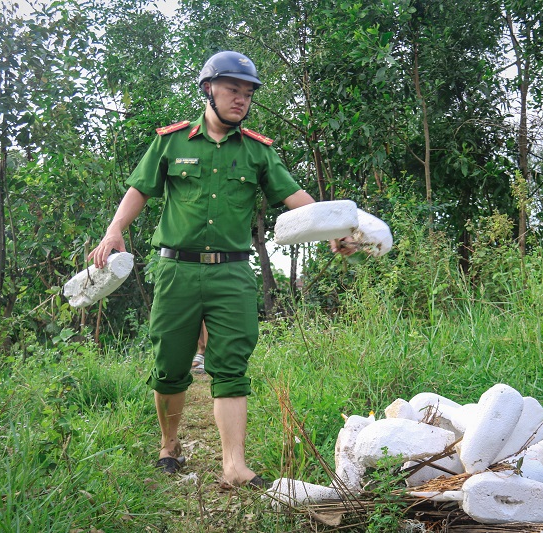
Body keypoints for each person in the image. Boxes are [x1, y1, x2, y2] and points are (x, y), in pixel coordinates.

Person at [89, 50, 351, 488]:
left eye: (248, 93)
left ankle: (234, 465)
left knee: (230, 366)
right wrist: (115, 229)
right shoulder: (172, 142)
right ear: (208, 89)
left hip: (231, 274)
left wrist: (333, 229)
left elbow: (296, 197)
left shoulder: (258, 152)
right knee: (171, 365)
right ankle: (169, 444)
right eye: (233, 90)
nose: (241, 99)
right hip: (176, 272)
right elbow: (140, 187)